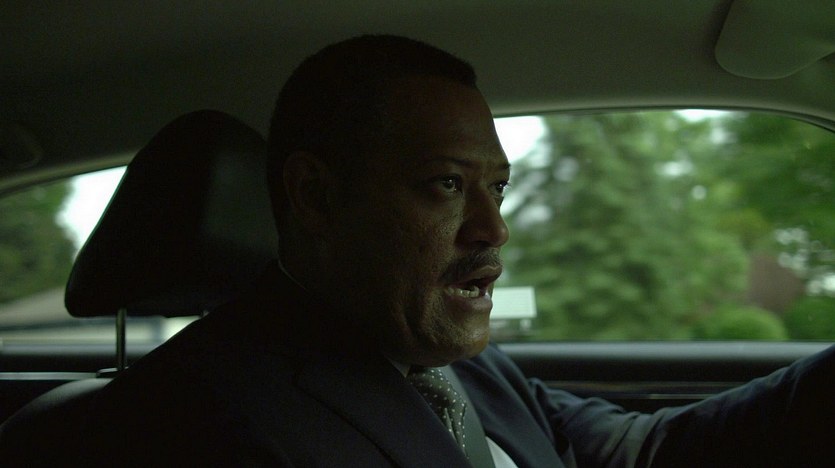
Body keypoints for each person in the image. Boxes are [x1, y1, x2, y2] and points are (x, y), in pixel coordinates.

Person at [63, 35, 835, 467]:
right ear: (314, 197)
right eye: (445, 185)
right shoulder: (189, 422)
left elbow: (641, 449)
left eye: (496, 188)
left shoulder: (455, 365)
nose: (493, 229)